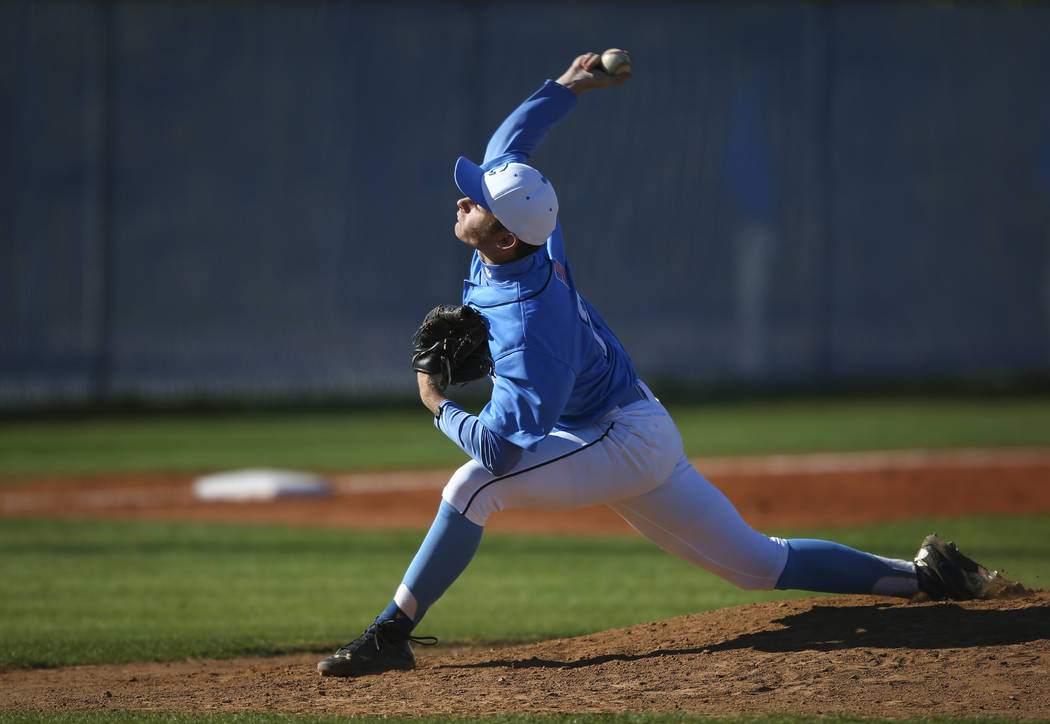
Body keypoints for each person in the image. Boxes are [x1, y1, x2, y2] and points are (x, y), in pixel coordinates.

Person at [317, 51, 1002, 677]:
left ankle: (390, 634)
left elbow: (498, 448)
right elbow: (511, 145)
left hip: (619, 439)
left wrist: (436, 403)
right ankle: (924, 577)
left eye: (478, 203)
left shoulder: (531, 325)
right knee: (757, 566)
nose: (463, 198)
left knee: (472, 487)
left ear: (501, 233)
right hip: (622, 422)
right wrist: (566, 87)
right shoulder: (525, 234)